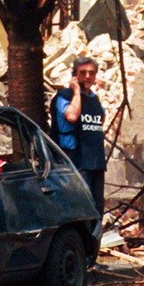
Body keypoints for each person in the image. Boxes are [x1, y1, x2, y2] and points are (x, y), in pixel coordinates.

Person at [50, 56, 107, 210]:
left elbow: (100, 119)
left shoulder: (95, 99)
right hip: (76, 162)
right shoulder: (64, 97)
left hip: (96, 163)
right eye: (83, 73)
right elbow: (72, 116)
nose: (88, 76)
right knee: (83, 207)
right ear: (74, 74)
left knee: (97, 207)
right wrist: (76, 92)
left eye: (92, 73)